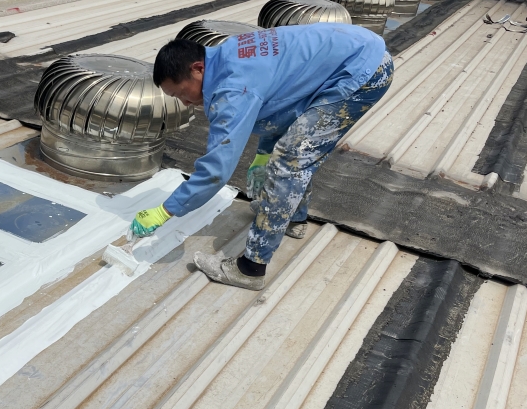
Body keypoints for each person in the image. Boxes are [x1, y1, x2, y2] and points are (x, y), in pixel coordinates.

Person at [129, 23, 393, 290]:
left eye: (180, 93)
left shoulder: (232, 89)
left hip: (362, 71)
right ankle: (294, 217)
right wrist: (262, 154)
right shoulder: (226, 55)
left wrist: (165, 210)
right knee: (293, 150)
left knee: (289, 162)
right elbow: (282, 103)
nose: (185, 103)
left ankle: (250, 269)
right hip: (354, 50)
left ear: (197, 68)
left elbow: (216, 171)